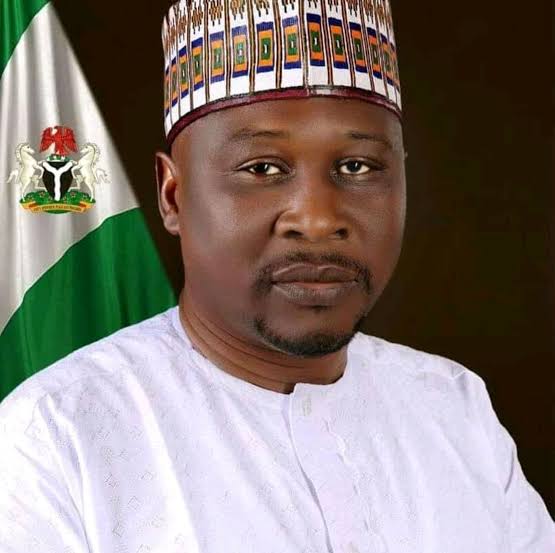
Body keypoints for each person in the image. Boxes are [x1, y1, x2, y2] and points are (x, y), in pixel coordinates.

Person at [0, 0, 553, 551]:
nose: (317, 219)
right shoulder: (56, 437)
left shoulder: (453, 407)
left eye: (357, 167)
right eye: (262, 168)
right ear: (173, 195)